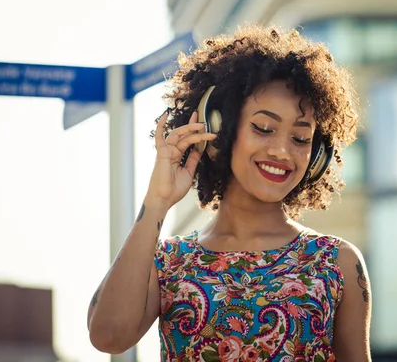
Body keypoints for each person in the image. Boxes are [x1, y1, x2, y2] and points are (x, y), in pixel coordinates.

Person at [87, 24, 371, 361]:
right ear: (218, 129)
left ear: (317, 155)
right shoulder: (169, 262)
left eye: (299, 138)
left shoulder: (336, 263)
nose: (282, 151)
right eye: (264, 128)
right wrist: (157, 202)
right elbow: (108, 336)